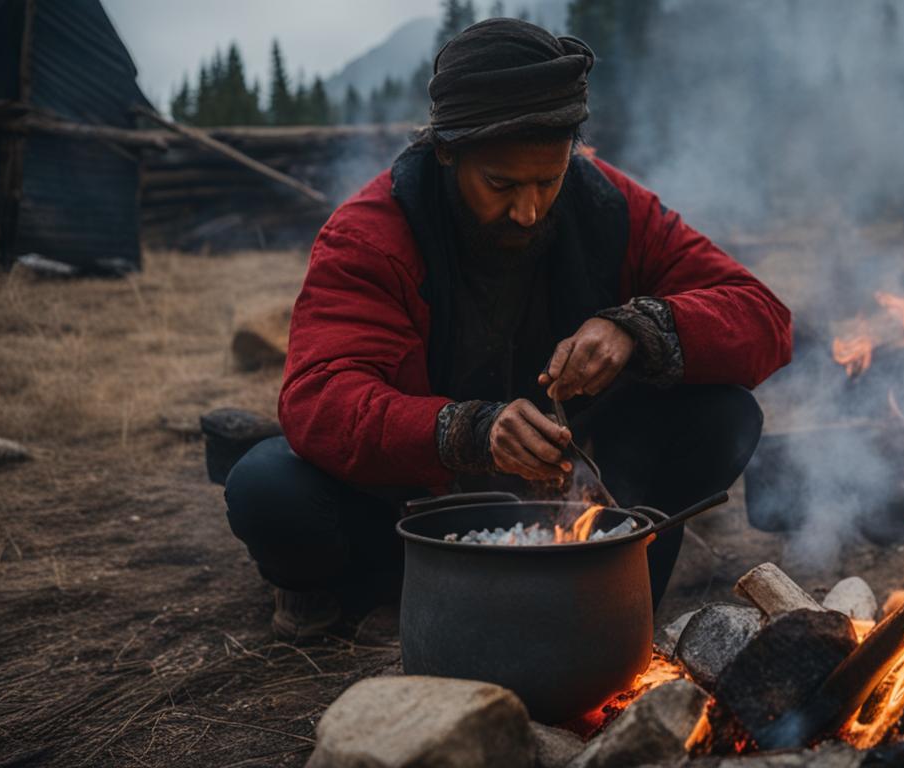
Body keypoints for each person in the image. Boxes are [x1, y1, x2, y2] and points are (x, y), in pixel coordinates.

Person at [223, 18, 792, 641]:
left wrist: (639, 327)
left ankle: (606, 583)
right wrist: (465, 430)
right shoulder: (372, 234)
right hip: (411, 507)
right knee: (268, 489)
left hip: (568, 504)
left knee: (724, 415)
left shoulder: (608, 205)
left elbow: (762, 314)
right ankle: (373, 592)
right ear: (447, 151)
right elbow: (319, 398)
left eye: (549, 181)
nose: (527, 210)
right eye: (501, 185)